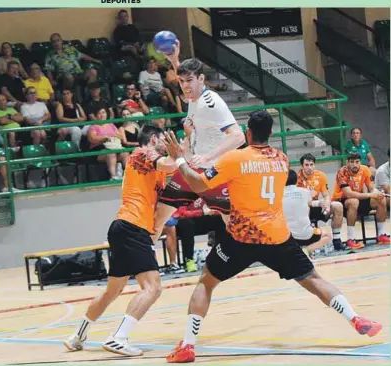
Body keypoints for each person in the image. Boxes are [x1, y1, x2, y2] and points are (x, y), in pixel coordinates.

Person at [161, 110, 382, 363]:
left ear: (247, 133)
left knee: (206, 282)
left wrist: (179, 159)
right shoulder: (282, 158)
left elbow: (198, 184)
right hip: (277, 237)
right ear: (271, 134)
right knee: (313, 278)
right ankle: (354, 317)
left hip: (240, 238)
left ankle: (188, 345)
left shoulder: (235, 158)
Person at [63, 125, 177, 357]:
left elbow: (172, 179)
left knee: (112, 291)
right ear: (154, 138)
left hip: (125, 228)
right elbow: (171, 163)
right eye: (164, 141)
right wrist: (179, 154)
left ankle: (77, 336)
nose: (166, 146)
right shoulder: (141, 153)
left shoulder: (158, 172)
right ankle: (119, 338)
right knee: (152, 288)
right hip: (132, 227)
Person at [151, 39, 246, 247]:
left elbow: (239, 137)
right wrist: (175, 60)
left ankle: (253, 253)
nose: (185, 86)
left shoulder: (211, 104)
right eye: (182, 81)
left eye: (189, 81)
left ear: (201, 79)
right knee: (160, 213)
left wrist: (208, 156)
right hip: (194, 167)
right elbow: (187, 92)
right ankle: (141, 261)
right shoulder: (194, 96)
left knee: (232, 224)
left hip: (215, 171)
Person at [331, 152, 389, 248]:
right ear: (347, 162)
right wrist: (371, 194)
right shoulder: (342, 172)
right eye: (352, 162)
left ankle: (381, 235)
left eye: (357, 162)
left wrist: (377, 193)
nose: (355, 165)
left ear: (360, 162)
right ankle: (351, 239)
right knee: (354, 201)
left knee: (380, 199)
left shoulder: (365, 169)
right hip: (342, 201)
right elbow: (349, 194)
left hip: (359, 198)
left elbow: (371, 188)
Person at [296, 153, 344, 250]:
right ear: (302, 166)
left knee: (337, 205)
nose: (309, 167)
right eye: (306, 165)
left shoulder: (321, 175)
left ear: (314, 165)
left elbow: (326, 195)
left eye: (311, 164)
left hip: (318, 206)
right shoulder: (297, 178)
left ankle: (337, 240)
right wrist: (316, 201)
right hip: (304, 209)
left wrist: (326, 203)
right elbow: (299, 201)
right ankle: (309, 243)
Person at [284, 170, 332, 258]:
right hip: (306, 234)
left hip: (288, 237)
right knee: (328, 235)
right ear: (296, 180)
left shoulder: (278, 195)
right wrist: (320, 203)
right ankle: (306, 250)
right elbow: (309, 203)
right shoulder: (305, 192)